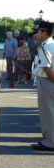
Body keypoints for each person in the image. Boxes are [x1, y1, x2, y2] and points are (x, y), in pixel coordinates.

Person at [31, 21, 54, 151]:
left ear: (45, 33)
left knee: (47, 114)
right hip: (48, 81)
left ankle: (49, 142)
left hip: (47, 82)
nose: (37, 33)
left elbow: (47, 68)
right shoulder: (52, 45)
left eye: (39, 31)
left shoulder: (44, 47)